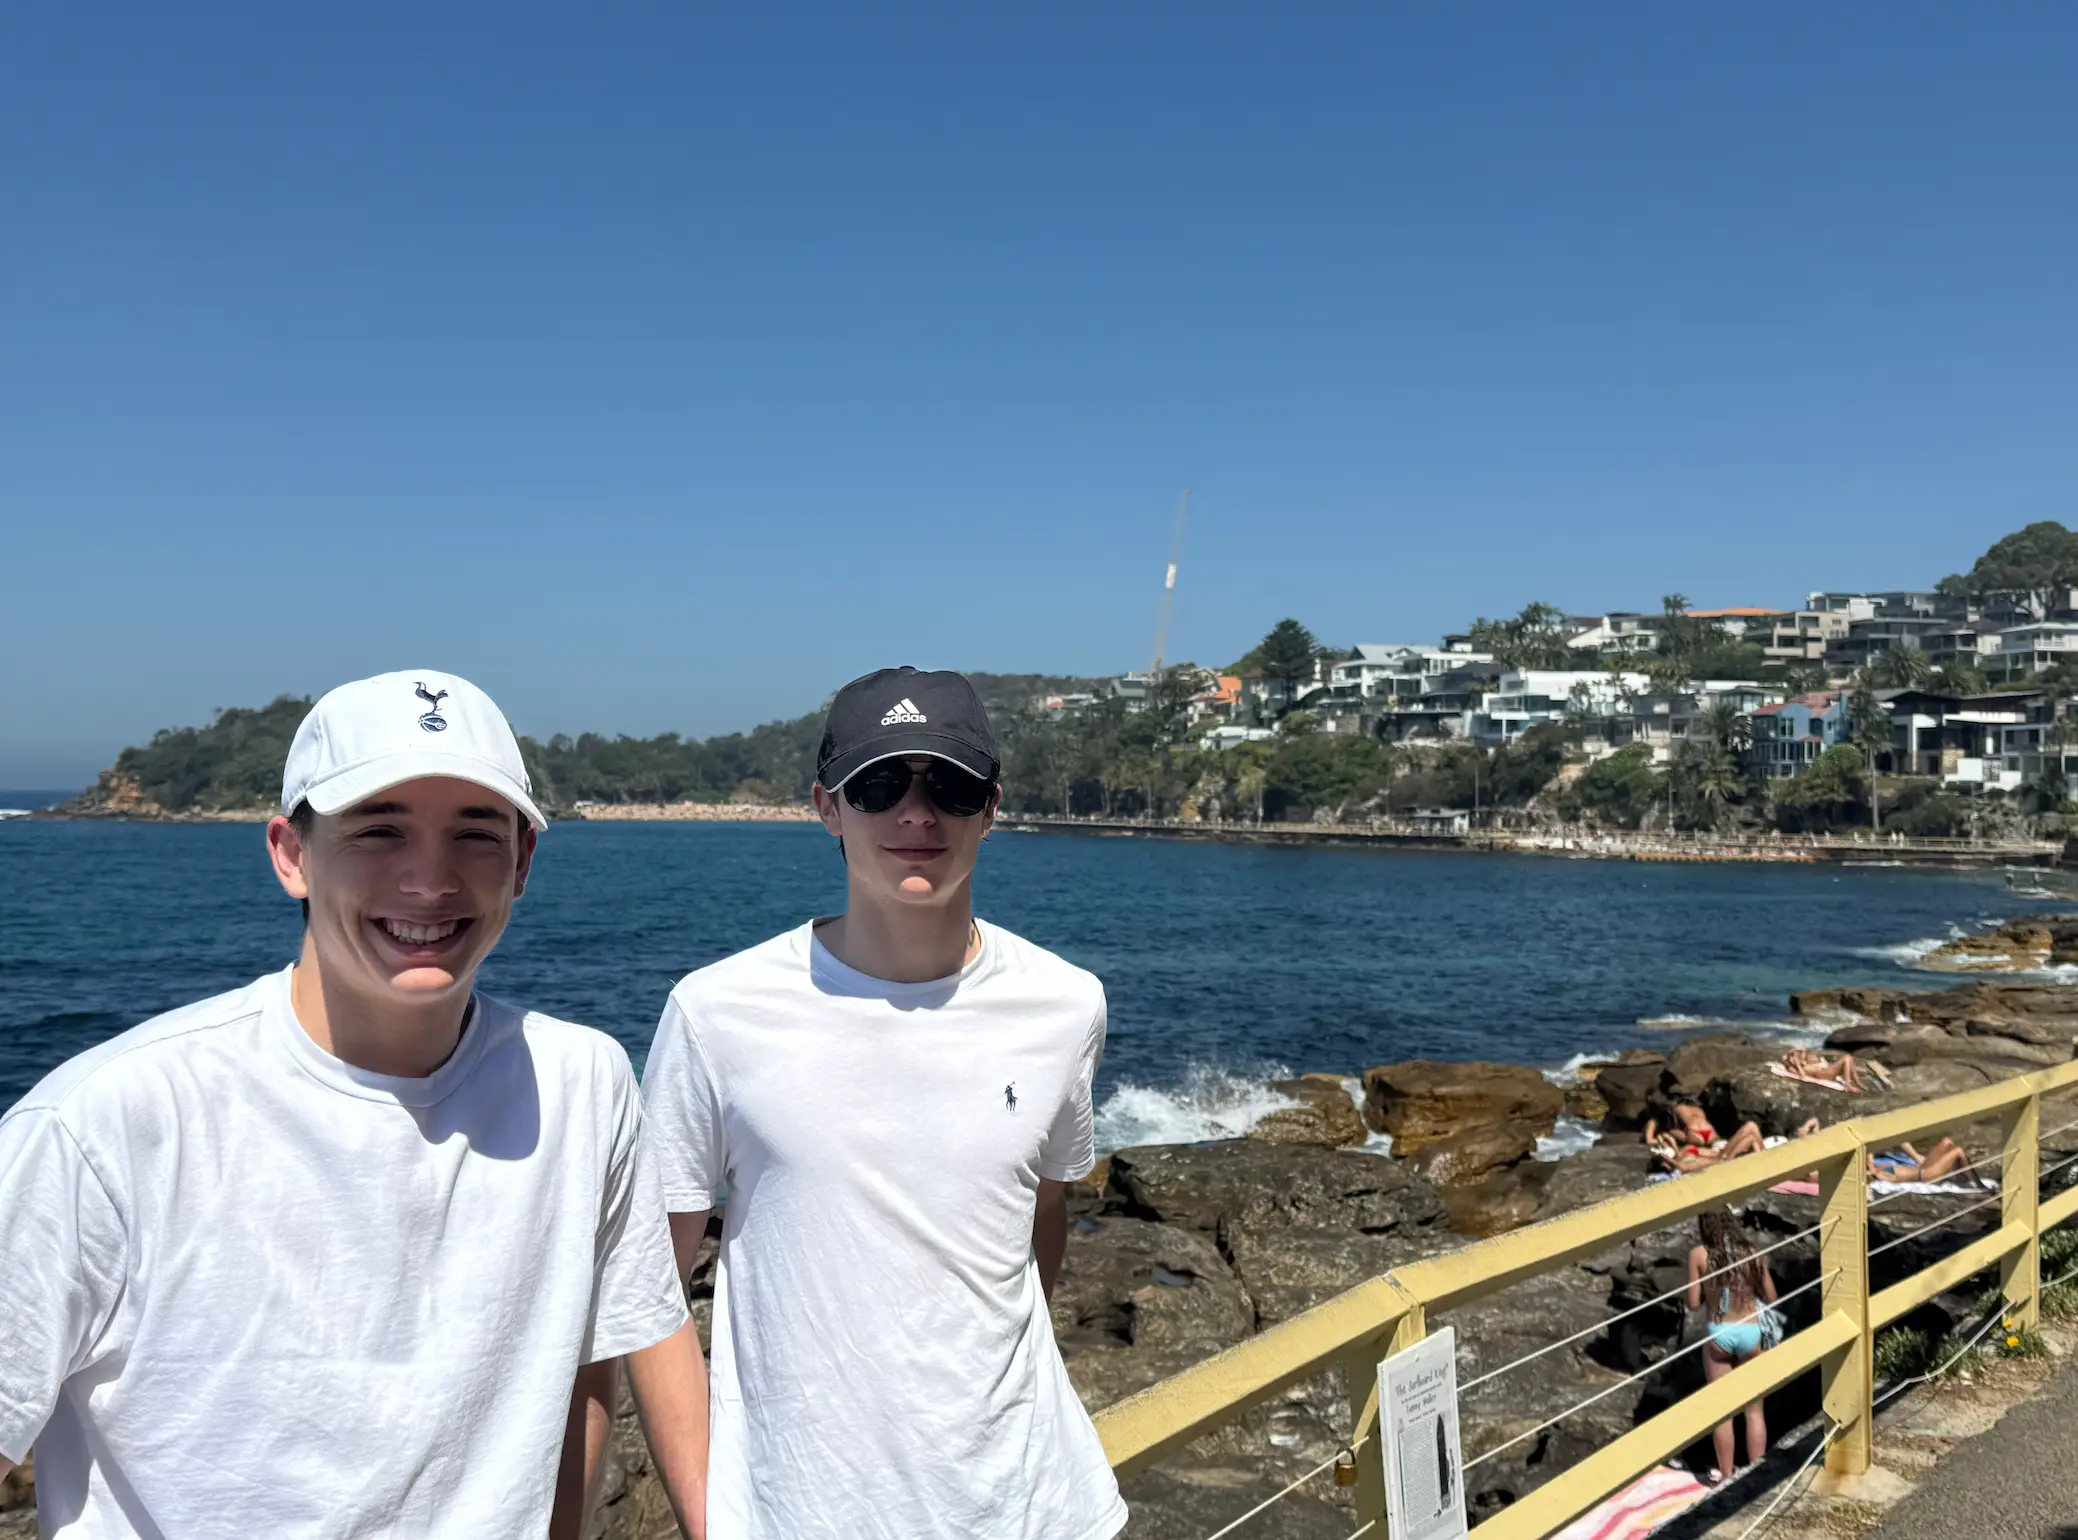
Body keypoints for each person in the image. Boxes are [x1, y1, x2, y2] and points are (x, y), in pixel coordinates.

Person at [0, 671, 691, 1539]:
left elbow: (583, 1369)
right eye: (379, 831)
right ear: (291, 854)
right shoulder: (105, 1125)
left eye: (475, 833)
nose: (430, 879)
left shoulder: (584, 1087)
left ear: (521, 864)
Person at [638, 666, 1128, 1540]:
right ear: (828, 807)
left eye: (949, 783)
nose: (916, 812)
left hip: (1038, 1509)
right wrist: (710, 1514)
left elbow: (1038, 1218)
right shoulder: (716, 1014)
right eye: (878, 785)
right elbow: (648, 1287)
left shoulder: (1066, 1004)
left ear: (992, 806)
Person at [1686, 1210, 1778, 1483]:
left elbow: (1692, 1302)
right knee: (1754, 1412)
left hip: (1720, 1332)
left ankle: (1726, 1478)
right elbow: (1771, 1297)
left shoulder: (1699, 1255)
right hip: (1750, 1331)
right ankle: (1756, 1473)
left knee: (1722, 1413)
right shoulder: (1752, 1253)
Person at [1871, 1136, 1969, 1183]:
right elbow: (1895, 1179)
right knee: (1958, 1150)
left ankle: (1962, 1177)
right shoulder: (1881, 1174)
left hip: (1922, 1168)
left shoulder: (1881, 1167)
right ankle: (1966, 1179)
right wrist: (1873, 1171)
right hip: (1927, 1174)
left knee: (1946, 1141)